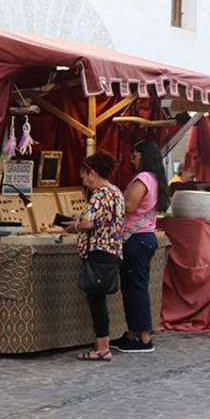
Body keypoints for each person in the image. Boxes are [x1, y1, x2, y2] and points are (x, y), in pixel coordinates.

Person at [110, 140, 170, 353]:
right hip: (144, 238)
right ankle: (133, 333)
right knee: (134, 287)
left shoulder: (143, 178)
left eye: (135, 154)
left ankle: (143, 338)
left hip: (136, 238)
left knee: (136, 289)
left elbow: (129, 206)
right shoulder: (154, 178)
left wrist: (111, 199)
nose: (132, 158)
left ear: (143, 156)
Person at [66, 152, 125, 362]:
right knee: (98, 300)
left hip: (99, 253)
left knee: (96, 301)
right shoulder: (116, 192)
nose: (83, 180)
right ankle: (103, 346)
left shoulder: (100, 194)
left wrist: (75, 224)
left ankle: (102, 348)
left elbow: (88, 224)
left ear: (92, 173)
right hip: (112, 252)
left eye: (84, 176)